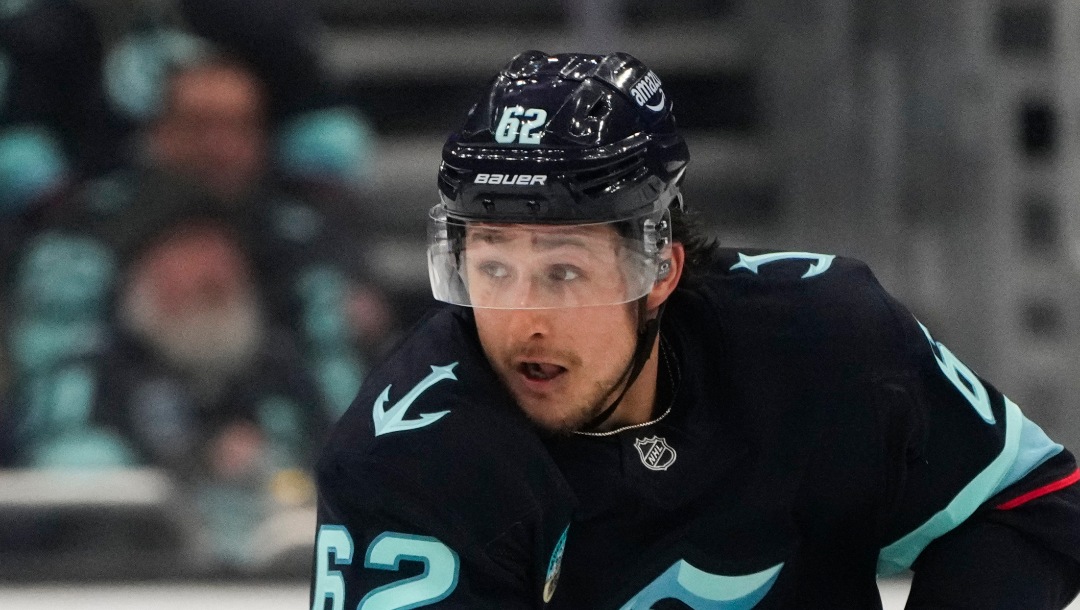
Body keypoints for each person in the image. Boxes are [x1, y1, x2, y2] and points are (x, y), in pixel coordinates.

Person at [311, 51, 1080, 608]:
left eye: (564, 271)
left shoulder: (819, 341)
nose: (522, 319)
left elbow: (1023, 504)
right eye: (492, 268)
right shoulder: (408, 460)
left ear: (660, 269)